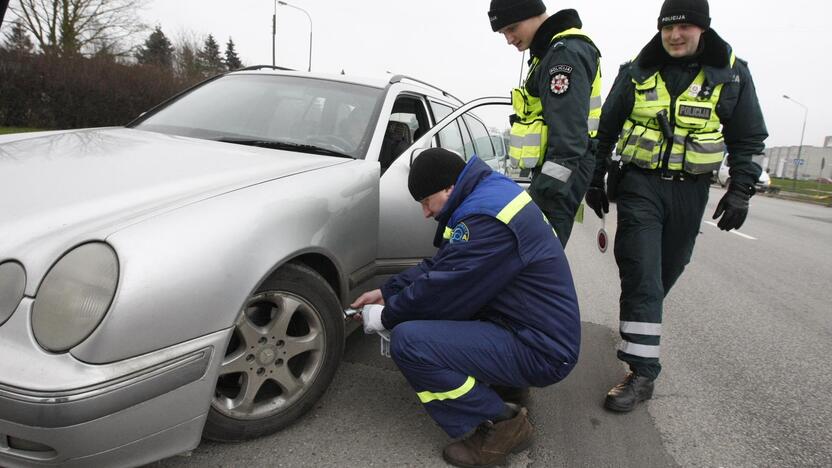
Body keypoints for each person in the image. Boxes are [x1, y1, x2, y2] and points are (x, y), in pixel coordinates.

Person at [585, 0, 767, 412]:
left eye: (685, 26)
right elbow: (605, 131)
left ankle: (639, 325)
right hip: (639, 186)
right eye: (668, 27)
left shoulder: (733, 74)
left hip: (691, 191)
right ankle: (642, 372)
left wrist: (741, 190)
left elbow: (749, 138)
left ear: (703, 29)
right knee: (642, 273)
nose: (675, 35)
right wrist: (594, 179)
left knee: (666, 271)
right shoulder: (636, 71)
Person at [351, 148, 581, 467]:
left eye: (425, 201)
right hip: (531, 328)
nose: (425, 213)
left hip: (542, 348)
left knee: (410, 342)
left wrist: (386, 315)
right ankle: (509, 385)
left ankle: (504, 423)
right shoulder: (486, 195)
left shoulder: (485, 219)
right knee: (455, 312)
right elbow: (444, 264)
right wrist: (387, 290)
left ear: (448, 188)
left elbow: (442, 291)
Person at [488, 0, 602, 247]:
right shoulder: (548, 52)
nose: (508, 39)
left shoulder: (564, 53)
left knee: (535, 260)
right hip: (559, 172)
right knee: (536, 258)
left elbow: (569, 139)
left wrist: (546, 190)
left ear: (531, 14)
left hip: (561, 174)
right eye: (503, 33)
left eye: (512, 28)